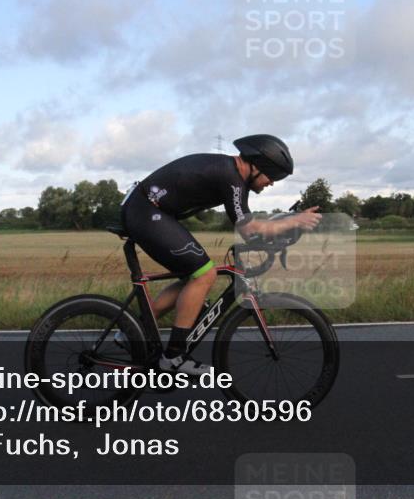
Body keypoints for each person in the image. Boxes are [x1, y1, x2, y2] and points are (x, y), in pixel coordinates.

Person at [119, 134, 321, 375]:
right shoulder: (231, 177)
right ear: (259, 166)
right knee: (205, 274)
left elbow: (249, 230)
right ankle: (173, 357)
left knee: (192, 277)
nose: (272, 183)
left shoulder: (233, 177)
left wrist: (285, 226)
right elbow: (249, 229)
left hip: (145, 210)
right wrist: (293, 222)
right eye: (273, 176)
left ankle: (131, 329)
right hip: (146, 212)